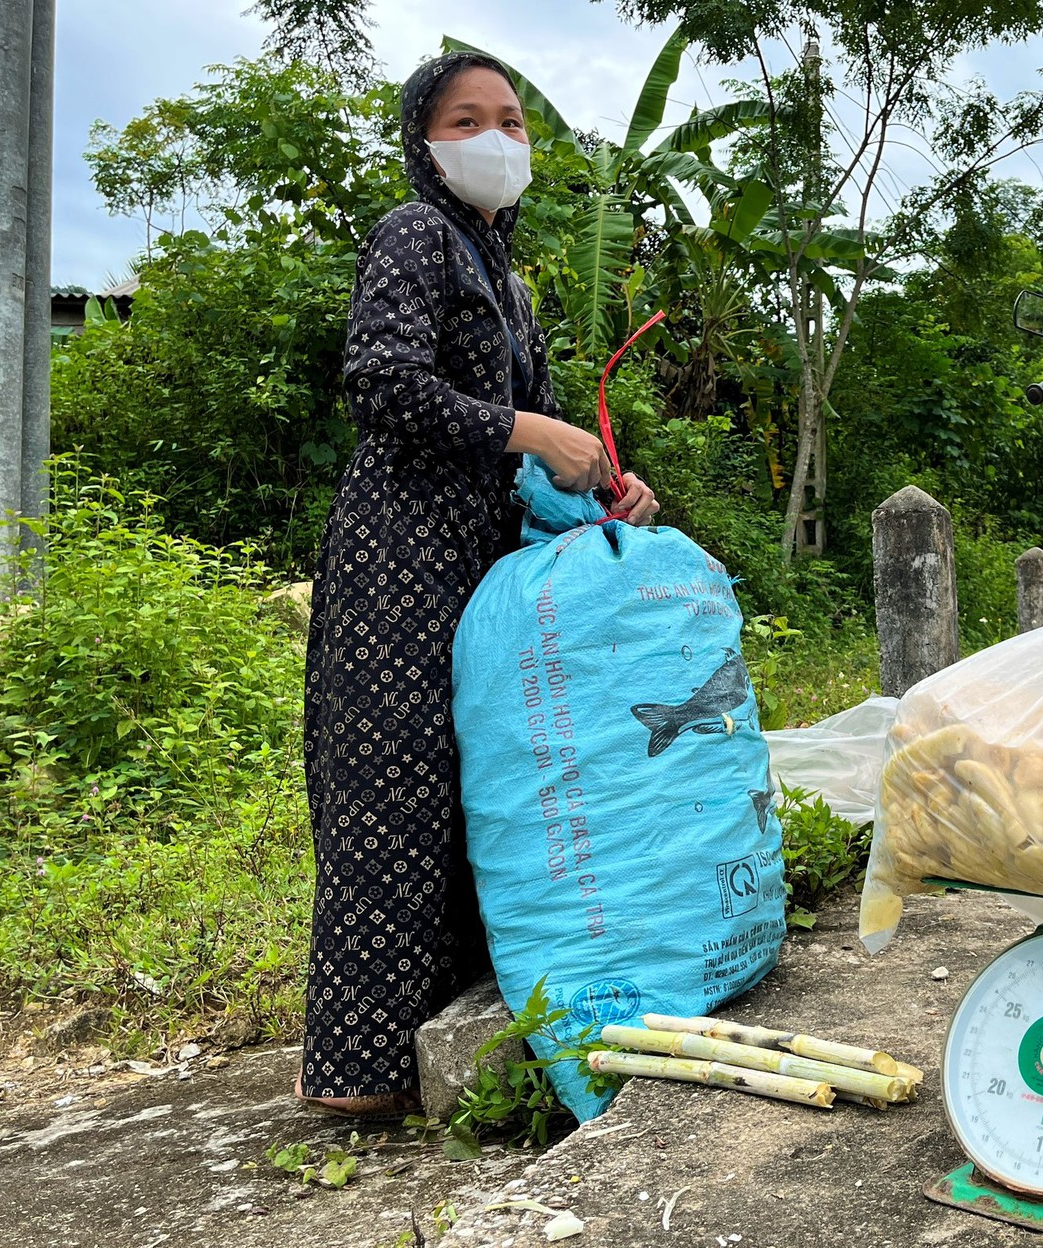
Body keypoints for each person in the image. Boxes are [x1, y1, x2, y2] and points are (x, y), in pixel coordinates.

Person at [297, 51, 659, 1117]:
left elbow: (551, 435)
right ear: (424, 138)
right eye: (468, 118)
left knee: (476, 783)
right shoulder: (413, 235)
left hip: (486, 565)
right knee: (391, 787)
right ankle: (358, 1073)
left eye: (512, 119)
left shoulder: (501, 274)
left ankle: (444, 1041)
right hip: (399, 558)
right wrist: (524, 429)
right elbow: (381, 382)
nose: (497, 136)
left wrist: (608, 481)